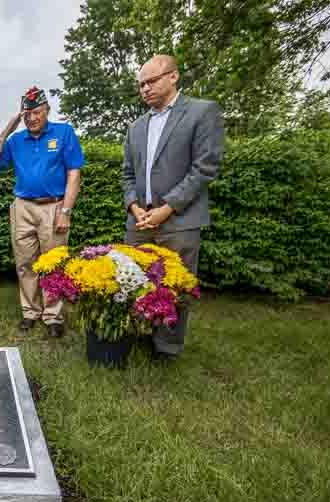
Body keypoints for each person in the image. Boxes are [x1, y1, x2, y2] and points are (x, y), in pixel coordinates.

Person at [121, 55, 225, 360]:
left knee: (174, 286)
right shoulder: (135, 127)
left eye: (151, 81)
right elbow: (127, 174)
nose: (145, 89)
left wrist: (168, 208)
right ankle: (142, 333)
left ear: (173, 76)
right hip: (140, 222)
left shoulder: (202, 112)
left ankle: (167, 347)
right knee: (135, 281)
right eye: (141, 85)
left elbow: (204, 168)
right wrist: (133, 206)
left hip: (179, 220)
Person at [0, 86, 84, 337]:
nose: (32, 118)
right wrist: (9, 128)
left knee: (53, 263)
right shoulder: (16, 140)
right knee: (25, 263)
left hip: (54, 205)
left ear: (47, 110)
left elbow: (74, 173)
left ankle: (52, 316)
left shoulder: (64, 133)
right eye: (26, 114)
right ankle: (30, 312)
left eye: (36, 112)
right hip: (23, 207)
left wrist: (66, 211)